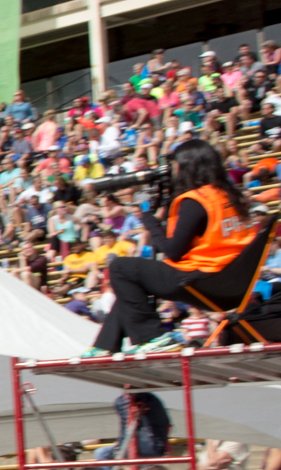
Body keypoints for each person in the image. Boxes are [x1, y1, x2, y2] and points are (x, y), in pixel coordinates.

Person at [89, 139, 269, 351]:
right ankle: (105, 344)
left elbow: (173, 252)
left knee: (120, 268)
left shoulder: (196, 201)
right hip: (231, 283)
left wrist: (147, 217)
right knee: (132, 283)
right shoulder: (231, 195)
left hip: (203, 281)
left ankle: (151, 337)